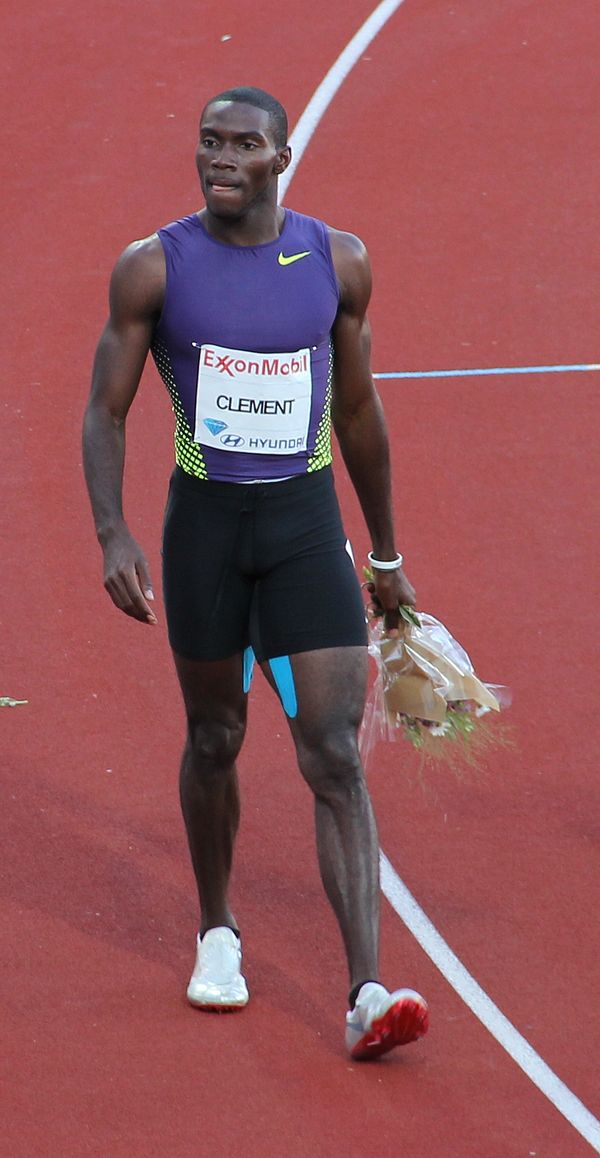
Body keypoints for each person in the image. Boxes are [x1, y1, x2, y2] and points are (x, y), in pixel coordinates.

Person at [82, 86, 429, 1060]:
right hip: (205, 532)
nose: (220, 158)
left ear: (282, 160)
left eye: (243, 145)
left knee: (331, 750)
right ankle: (219, 929)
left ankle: (366, 989)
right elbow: (103, 410)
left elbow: (359, 415)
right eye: (208, 141)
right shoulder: (155, 268)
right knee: (216, 735)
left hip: (305, 527)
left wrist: (389, 556)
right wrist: (112, 533)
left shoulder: (335, 261)